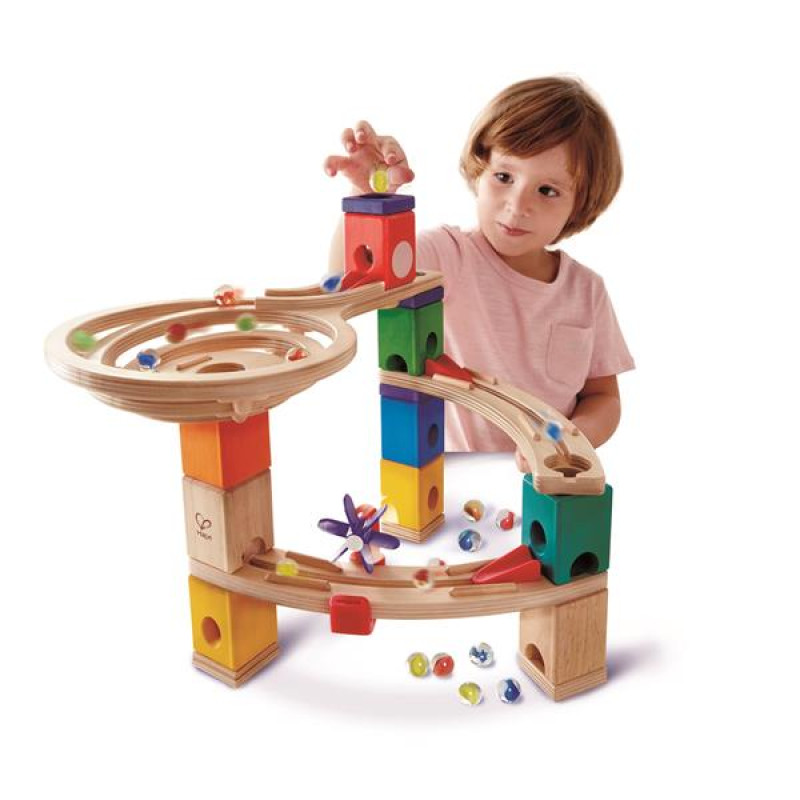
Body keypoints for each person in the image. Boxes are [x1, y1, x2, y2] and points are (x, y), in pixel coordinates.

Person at [324, 76, 634, 471]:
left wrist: (573, 438)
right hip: (452, 480)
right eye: (504, 177)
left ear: (580, 204)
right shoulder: (447, 255)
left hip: (548, 479)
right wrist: (370, 199)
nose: (517, 205)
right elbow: (347, 283)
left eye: (547, 191)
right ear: (479, 171)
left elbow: (604, 397)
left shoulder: (587, 291)